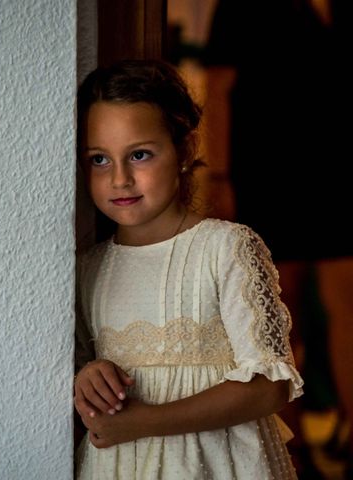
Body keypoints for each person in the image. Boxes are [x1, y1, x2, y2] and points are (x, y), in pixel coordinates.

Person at [73, 59, 303, 479]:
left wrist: (142, 422)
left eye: (139, 154)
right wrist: (87, 377)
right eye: (100, 159)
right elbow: (74, 369)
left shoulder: (226, 247)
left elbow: (270, 386)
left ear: (184, 150)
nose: (120, 179)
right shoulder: (88, 267)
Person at [203, 1, 353, 477]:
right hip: (269, 169)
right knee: (276, 315)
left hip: (339, 169)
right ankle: (287, 446)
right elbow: (219, 86)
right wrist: (220, 175)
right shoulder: (242, 6)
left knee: (348, 304)